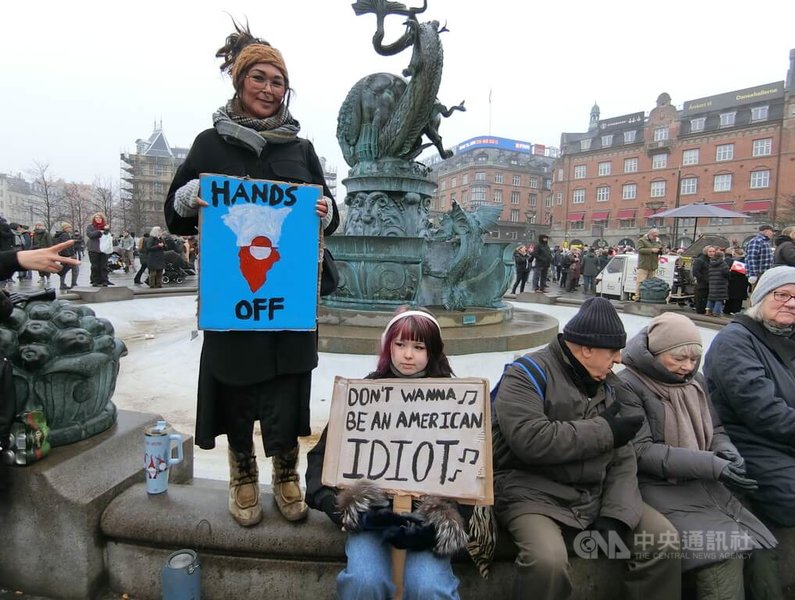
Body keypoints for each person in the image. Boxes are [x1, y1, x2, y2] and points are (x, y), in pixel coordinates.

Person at [164, 21, 339, 526]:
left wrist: (327, 210)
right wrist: (188, 196)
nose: (268, 88)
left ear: (287, 90)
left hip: (287, 300)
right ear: (240, 83)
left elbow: (330, 213)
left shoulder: (300, 150)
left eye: (277, 81)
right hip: (234, 296)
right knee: (236, 390)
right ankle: (242, 476)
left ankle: (286, 475)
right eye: (259, 78)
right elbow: (175, 217)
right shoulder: (208, 144)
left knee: (287, 389)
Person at [492, 297, 681, 600]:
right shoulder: (525, 374)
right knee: (547, 562)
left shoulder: (611, 386)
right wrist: (605, 430)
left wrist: (616, 514)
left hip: (592, 494)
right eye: (612, 351)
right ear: (586, 349)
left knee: (663, 540)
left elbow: (623, 458)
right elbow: (530, 439)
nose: (619, 359)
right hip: (531, 494)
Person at [306, 309, 471, 599]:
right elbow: (322, 460)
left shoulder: (456, 401)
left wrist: (446, 522)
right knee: (364, 580)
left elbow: (473, 474)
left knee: (430, 587)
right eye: (400, 345)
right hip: (373, 516)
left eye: (418, 347)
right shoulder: (363, 394)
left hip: (426, 520)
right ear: (388, 347)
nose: (408, 355)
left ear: (431, 351)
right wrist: (340, 506)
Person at [617, 312, 776, 599]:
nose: (687, 367)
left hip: (702, 482)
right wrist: (712, 465)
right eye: (678, 358)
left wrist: (727, 453)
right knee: (721, 552)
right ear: (655, 352)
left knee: (759, 549)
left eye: (693, 359)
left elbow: (714, 428)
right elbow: (642, 452)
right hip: (656, 487)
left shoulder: (696, 380)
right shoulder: (628, 384)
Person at [704, 265, 795, 597]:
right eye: (782, 294)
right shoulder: (736, 340)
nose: (791, 303)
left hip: (788, 441)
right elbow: (763, 412)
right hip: (746, 443)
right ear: (760, 298)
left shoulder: (792, 337)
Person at [85, 212, 112, 287]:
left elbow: (107, 236)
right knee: (95, 266)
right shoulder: (90, 226)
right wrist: (99, 231)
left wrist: (106, 230)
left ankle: (104, 280)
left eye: (100, 218)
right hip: (93, 249)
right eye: (96, 218)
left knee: (104, 266)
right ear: (94, 219)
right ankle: (95, 280)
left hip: (104, 249)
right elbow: (90, 235)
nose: (98, 219)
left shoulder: (105, 226)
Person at [635, 228, 662, 300]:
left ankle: (648, 297)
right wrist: (651, 250)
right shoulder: (642, 240)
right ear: (649, 234)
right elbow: (639, 250)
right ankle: (637, 296)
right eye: (654, 236)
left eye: (656, 235)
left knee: (651, 283)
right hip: (644, 265)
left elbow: (661, 247)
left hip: (653, 265)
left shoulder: (657, 240)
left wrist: (661, 250)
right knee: (641, 281)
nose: (655, 237)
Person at [52, 223, 80, 291]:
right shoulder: (65, 235)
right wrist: (69, 256)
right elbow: (65, 246)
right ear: (65, 228)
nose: (70, 229)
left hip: (64, 255)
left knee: (63, 270)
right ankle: (73, 284)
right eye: (69, 227)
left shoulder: (61, 235)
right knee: (75, 269)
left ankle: (62, 284)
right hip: (68, 255)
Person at [724, 247, 749, 315]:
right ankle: (731, 310)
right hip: (738, 282)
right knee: (734, 298)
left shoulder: (739, 262)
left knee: (734, 298)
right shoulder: (743, 260)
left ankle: (732, 310)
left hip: (737, 282)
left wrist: (730, 272)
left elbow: (735, 272)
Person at [705, 250, 729, 317]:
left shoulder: (711, 263)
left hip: (712, 282)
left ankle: (708, 311)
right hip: (721, 283)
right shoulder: (723, 264)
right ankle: (716, 312)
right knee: (719, 298)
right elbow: (726, 273)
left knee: (711, 297)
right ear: (722, 256)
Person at [692, 245, 714, 315]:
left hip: (709, 283)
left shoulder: (711, 260)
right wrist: (703, 279)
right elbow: (695, 272)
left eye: (713, 251)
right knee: (701, 299)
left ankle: (706, 310)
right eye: (710, 251)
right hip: (702, 284)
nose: (712, 253)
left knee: (706, 299)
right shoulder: (700, 260)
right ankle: (700, 311)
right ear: (706, 252)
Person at [31, 222, 53, 287]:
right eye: (37, 225)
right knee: (39, 265)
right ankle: (41, 277)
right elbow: (33, 243)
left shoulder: (46, 233)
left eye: (39, 225)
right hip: (37, 251)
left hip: (45, 251)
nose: (38, 226)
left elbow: (49, 242)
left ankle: (48, 277)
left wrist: (50, 250)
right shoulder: (34, 234)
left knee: (46, 264)